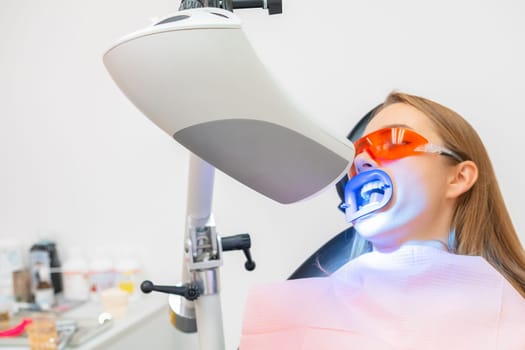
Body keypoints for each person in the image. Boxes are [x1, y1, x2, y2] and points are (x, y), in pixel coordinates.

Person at [239, 92, 525, 349]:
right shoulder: (294, 315)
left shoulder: (512, 311)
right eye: (357, 155)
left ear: (459, 177)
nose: (363, 162)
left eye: (392, 142)